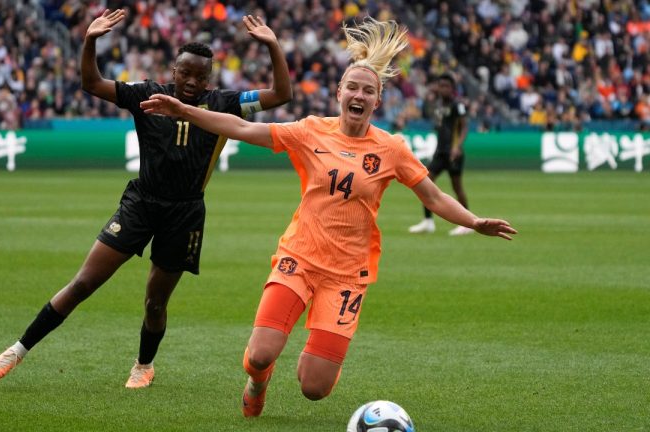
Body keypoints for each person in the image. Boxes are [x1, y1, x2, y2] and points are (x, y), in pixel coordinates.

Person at [139, 17, 517, 417]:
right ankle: (257, 381)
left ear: (378, 99)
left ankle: (316, 355)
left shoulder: (391, 149)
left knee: (314, 388)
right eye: (352, 87)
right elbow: (240, 127)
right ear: (339, 92)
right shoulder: (310, 132)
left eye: (367, 90)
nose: (358, 94)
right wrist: (186, 111)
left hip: (347, 274)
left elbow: (434, 195)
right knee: (261, 354)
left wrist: (473, 222)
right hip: (298, 258)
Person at [0, 9, 292, 388]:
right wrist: (90, 41)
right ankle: (18, 349)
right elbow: (92, 83)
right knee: (84, 283)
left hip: (185, 214)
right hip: (141, 204)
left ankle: (144, 365)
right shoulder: (147, 93)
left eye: (200, 75)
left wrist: (273, 46)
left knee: (155, 303)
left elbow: (281, 94)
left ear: (209, 78)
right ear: (173, 70)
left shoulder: (224, 102)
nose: (192, 81)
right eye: (185, 72)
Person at [408, 73, 473, 235]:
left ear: (452, 88)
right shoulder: (437, 105)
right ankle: (428, 221)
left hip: (453, 153)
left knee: (457, 187)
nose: (443, 89)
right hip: (440, 152)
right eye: (441, 85)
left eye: (446, 86)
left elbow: (464, 127)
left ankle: (467, 224)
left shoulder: (457, 105)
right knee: (425, 183)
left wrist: (457, 146)